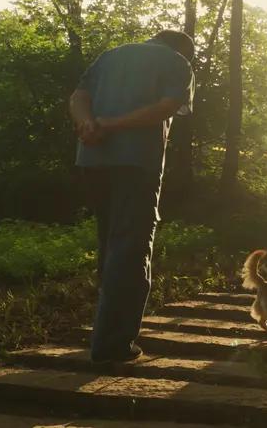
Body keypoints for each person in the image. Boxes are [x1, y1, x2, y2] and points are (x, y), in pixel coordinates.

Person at [69, 30, 194, 363]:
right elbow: (166, 107)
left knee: (110, 244)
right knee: (131, 247)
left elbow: (78, 96)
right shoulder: (178, 62)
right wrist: (111, 125)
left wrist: (87, 125)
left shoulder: (111, 55)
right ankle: (112, 346)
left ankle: (104, 329)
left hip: (93, 160)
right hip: (136, 163)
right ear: (184, 49)